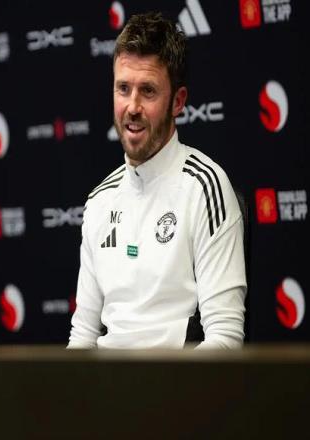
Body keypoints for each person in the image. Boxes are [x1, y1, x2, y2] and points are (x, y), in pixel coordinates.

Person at [67, 12, 246, 349]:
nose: (132, 107)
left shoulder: (206, 188)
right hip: (104, 381)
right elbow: (83, 336)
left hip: (176, 381)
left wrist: (156, 383)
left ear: (177, 101)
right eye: (123, 89)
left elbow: (225, 341)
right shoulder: (99, 201)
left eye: (148, 91)